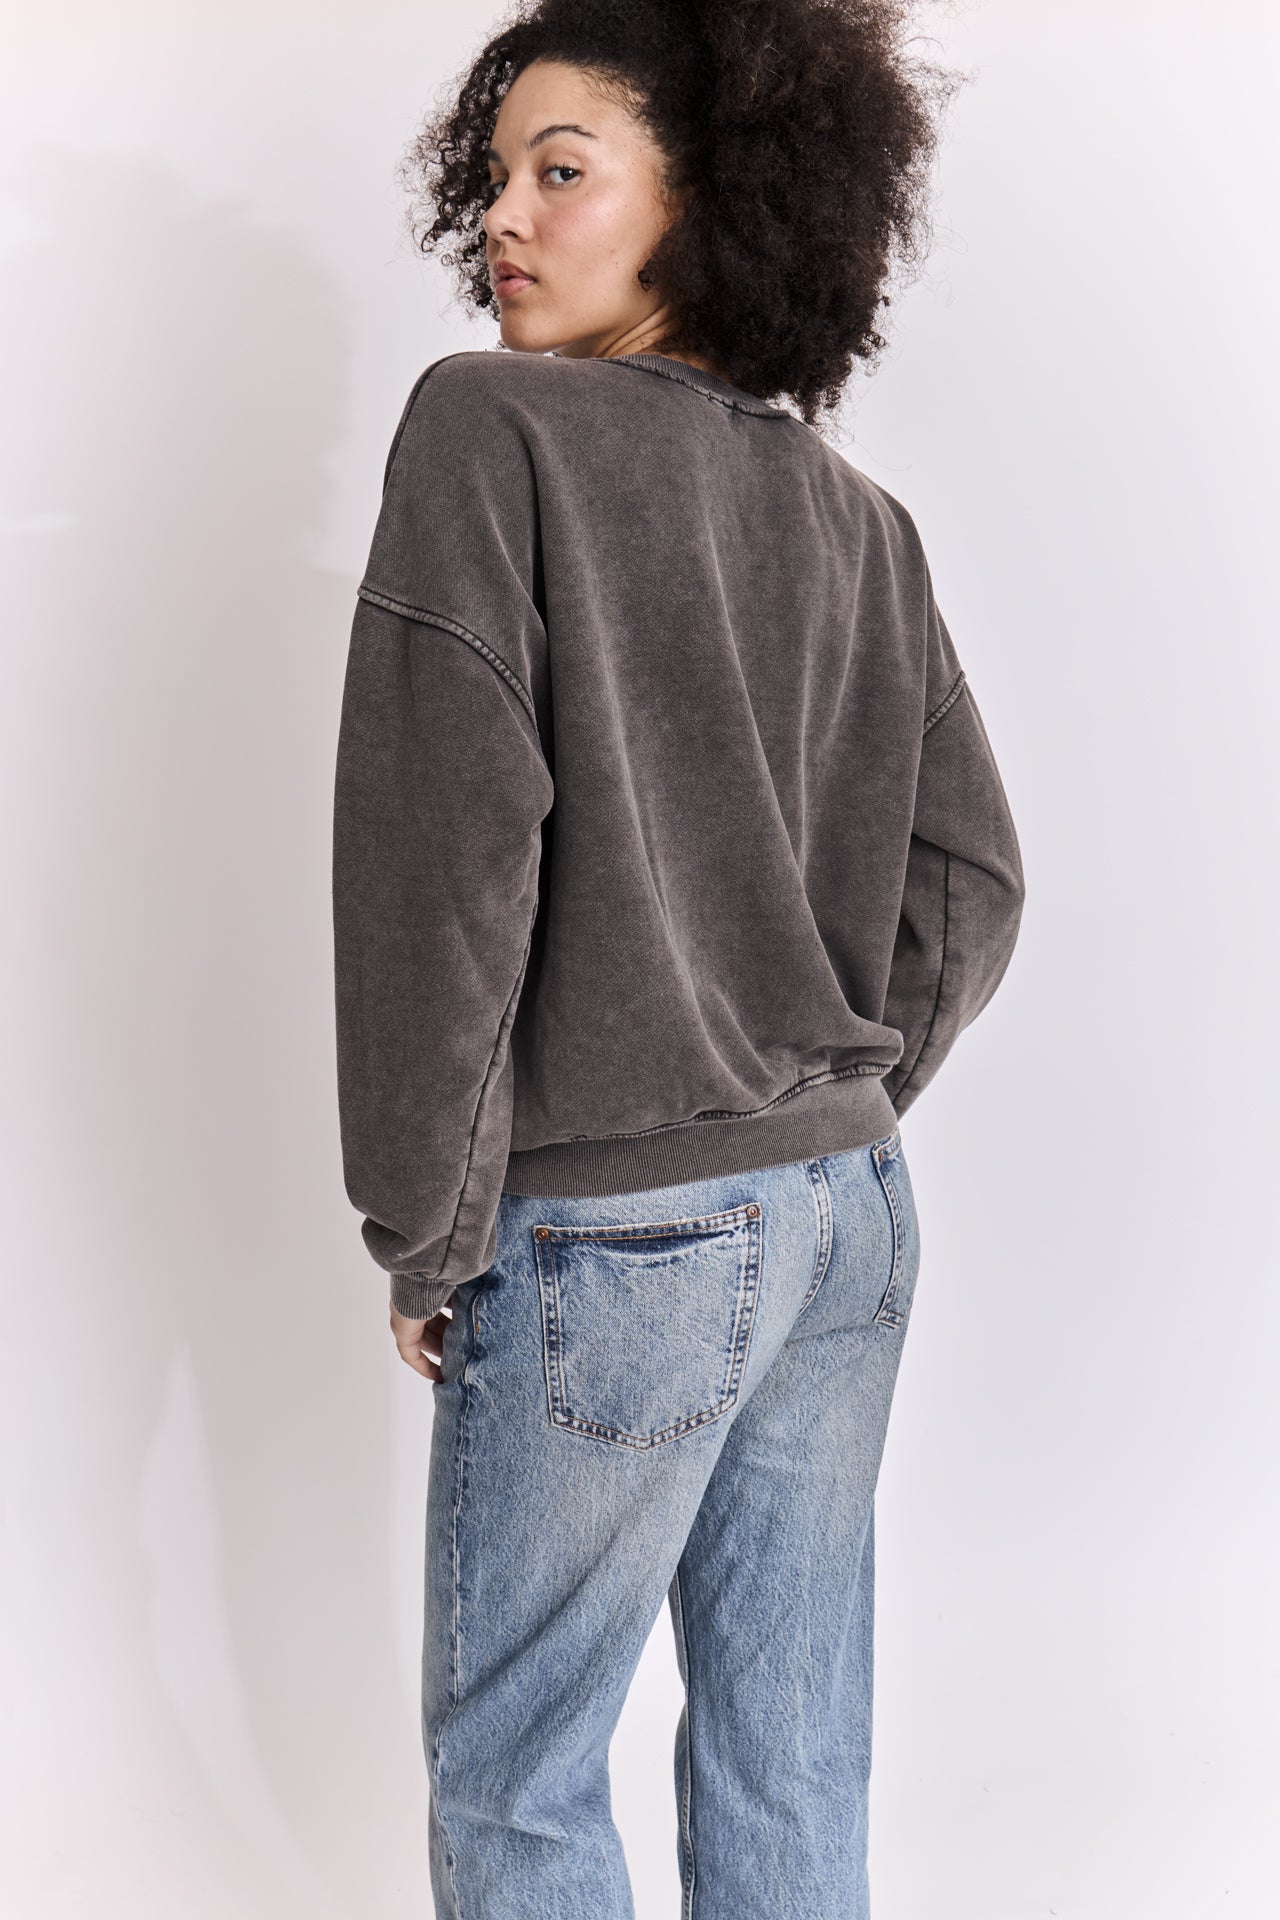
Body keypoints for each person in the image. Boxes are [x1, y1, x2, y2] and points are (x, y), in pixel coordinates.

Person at [330, 2, 1025, 1913]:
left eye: (563, 171)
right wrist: (822, 1092)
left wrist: (426, 1221)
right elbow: (972, 878)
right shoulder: (860, 522)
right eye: (495, 176)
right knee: (791, 1756)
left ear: (709, 202)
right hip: (848, 1217)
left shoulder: (489, 428)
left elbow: (444, 866)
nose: (506, 218)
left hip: (622, 1230)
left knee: (523, 1784)